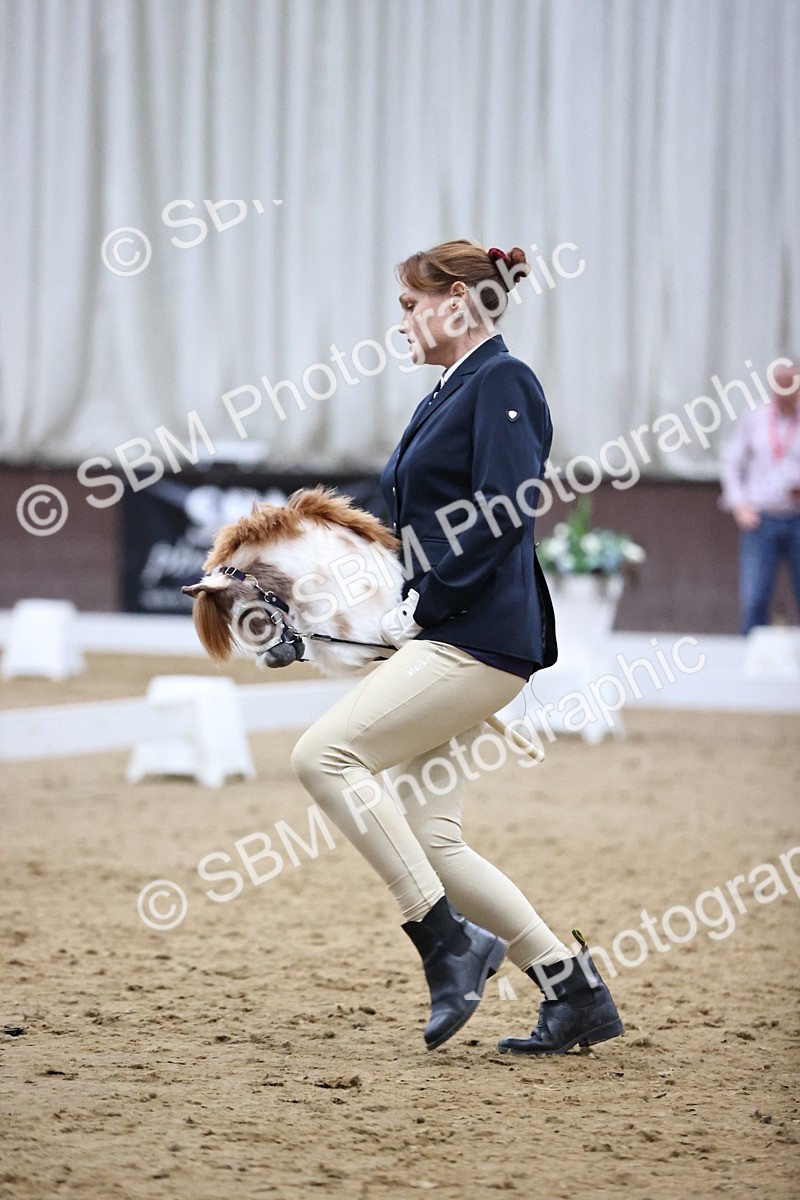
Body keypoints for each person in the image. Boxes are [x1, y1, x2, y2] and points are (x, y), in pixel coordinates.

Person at [291, 239, 623, 1055]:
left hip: (477, 637)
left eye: (410, 304)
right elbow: (391, 525)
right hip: (449, 630)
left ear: (461, 302)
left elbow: (504, 506)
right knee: (434, 838)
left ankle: (446, 943)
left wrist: (424, 600)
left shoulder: (503, 381)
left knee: (325, 756)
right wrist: (287, 596)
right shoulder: (447, 390)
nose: (400, 319)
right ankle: (569, 990)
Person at [720, 360, 800, 634]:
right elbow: (732, 463)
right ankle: (750, 656)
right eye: (780, 383)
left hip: (797, 515)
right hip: (760, 517)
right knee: (755, 596)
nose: (785, 390)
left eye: (791, 384)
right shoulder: (754, 417)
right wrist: (740, 505)